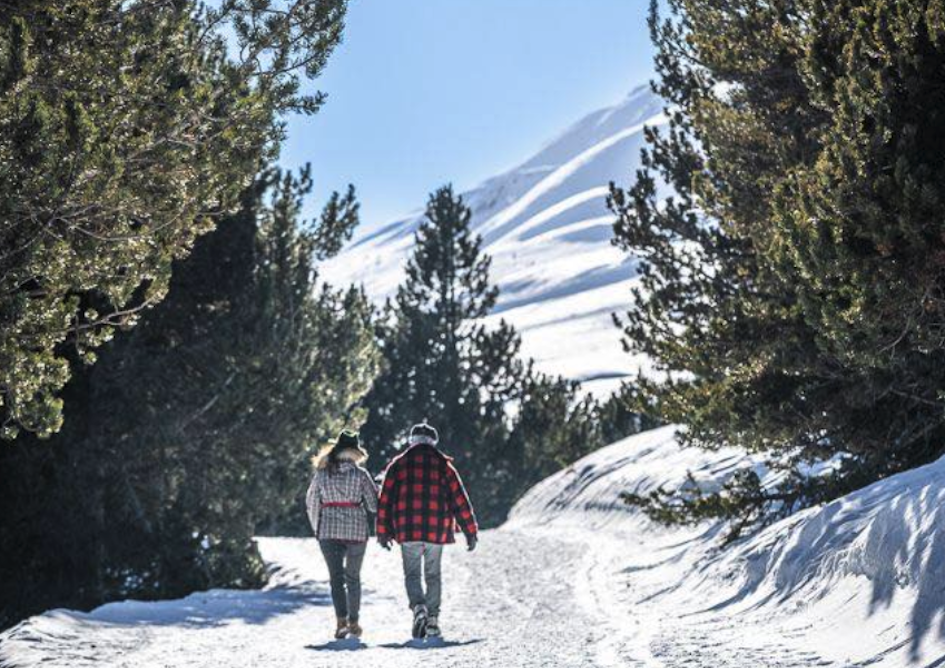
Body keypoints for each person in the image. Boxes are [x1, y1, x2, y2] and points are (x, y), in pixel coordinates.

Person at [376, 422, 478, 639]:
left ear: (411, 441)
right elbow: (460, 500)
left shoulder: (398, 465)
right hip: (436, 530)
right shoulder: (444, 466)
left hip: (407, 529)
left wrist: (383, 531)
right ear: (434, 442)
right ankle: (432, 619)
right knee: (433, 574)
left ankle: (418, 608)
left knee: (412, 574)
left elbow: (385, 500)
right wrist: (470, 531)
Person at [305, 429, 378, 640]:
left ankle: (341, 622)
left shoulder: (321, 474)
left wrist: (316, 527)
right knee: (353, 578)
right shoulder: (362, 475)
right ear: (356, 453)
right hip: (356, 532)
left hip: (328, 531)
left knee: (336, 579)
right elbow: (373, 506)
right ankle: (354, 622)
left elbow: (311, 502)